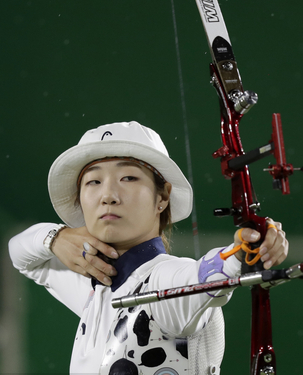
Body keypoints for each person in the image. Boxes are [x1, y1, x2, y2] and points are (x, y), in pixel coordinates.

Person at [8, 121, 288, 374]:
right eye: (93, 181)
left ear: (162, 197)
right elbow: (19, 253)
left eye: (128, 178)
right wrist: (55, 238)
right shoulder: (96, 284)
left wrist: (245, 251)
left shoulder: (165, 279)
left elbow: (206, 276)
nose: (108, 195)